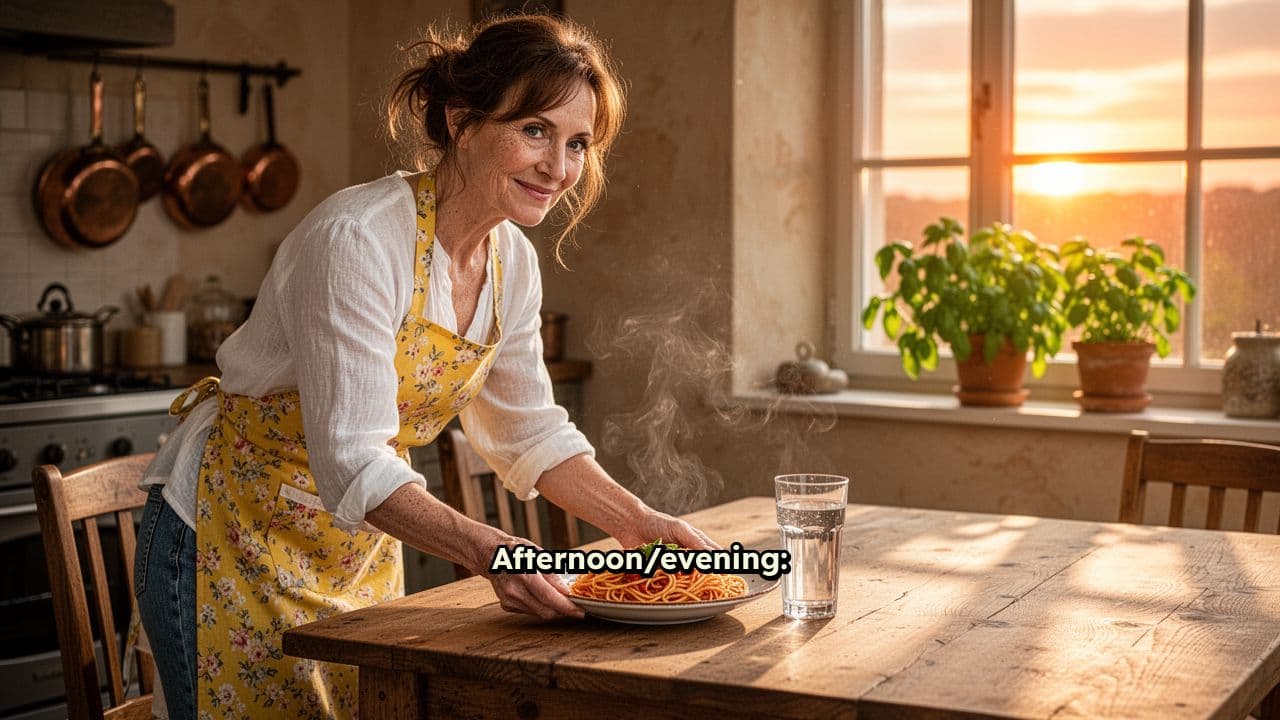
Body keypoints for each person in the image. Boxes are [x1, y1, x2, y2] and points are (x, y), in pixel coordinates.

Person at [133, 14, 717, 720]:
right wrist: (494, 552)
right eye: (534, 130)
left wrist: (637, 522)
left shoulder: (511, 263)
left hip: (357, 547)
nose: (559, 168)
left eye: (576, 144)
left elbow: (529, 431)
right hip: (231, 536)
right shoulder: (358, 240)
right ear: (461, 119)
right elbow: (351, 458)